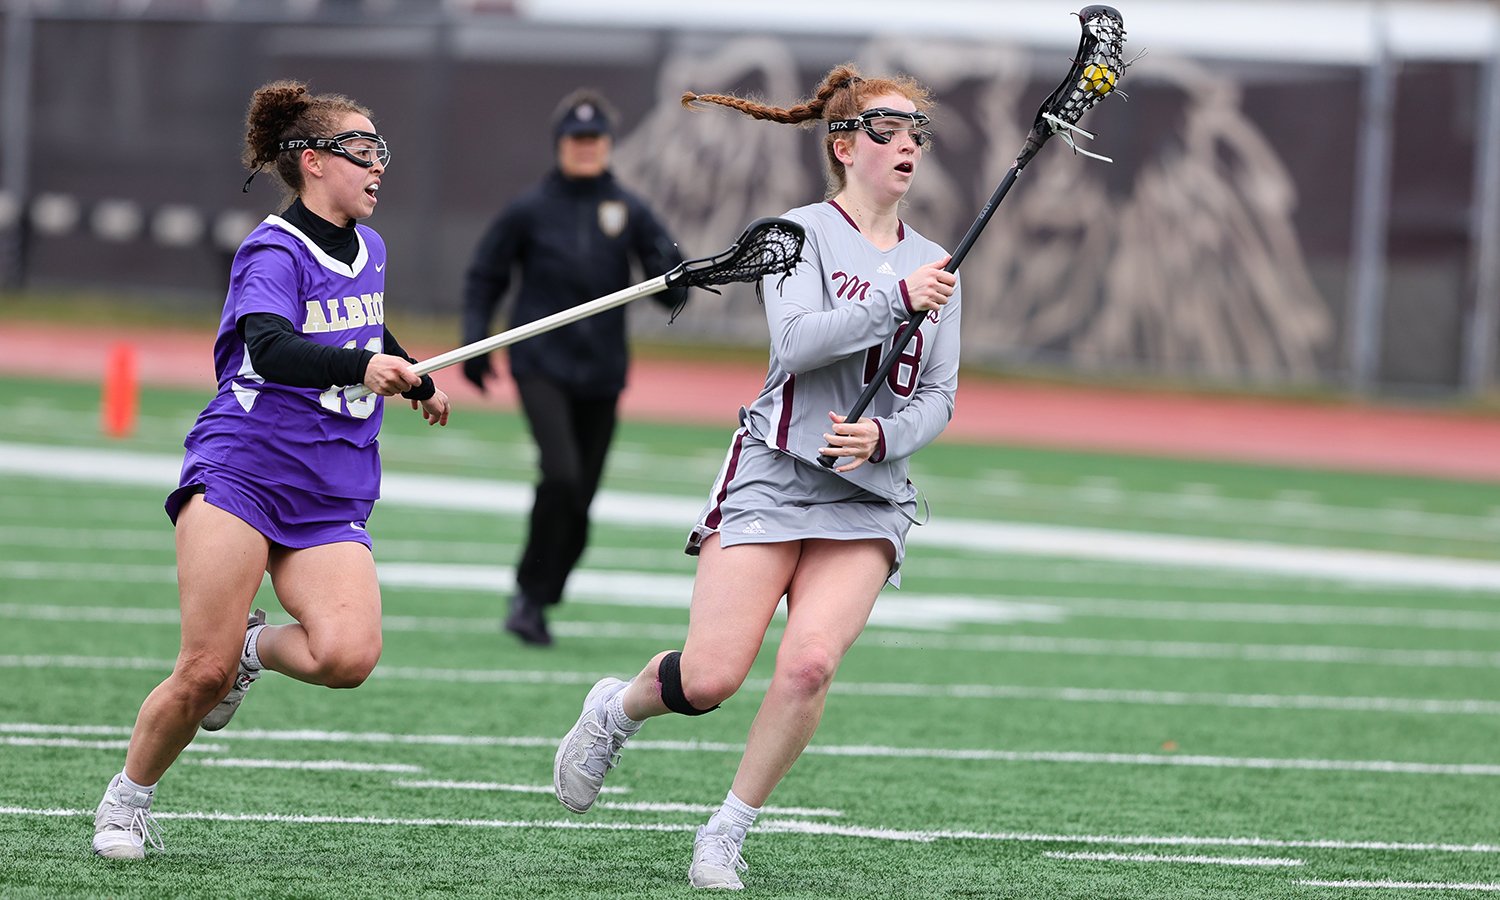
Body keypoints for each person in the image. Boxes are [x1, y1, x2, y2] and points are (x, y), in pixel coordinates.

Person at [551, 65, 960, 889]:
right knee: (708, 679)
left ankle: (726, 830)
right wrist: (894, 301)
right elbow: (798, 345)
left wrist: (883, 434)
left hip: (869, 498)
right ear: (844, 146)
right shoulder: (797, 236)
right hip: (774, 474)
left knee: (809, 663)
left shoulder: (940, 263)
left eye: (917, 129)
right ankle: (616, 709)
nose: (908, 141)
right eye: (888, 128)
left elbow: (942, 394)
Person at [90, 80, 451, 859]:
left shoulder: (372, 246)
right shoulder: (274, 248)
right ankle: (127, 799)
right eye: (363, 148)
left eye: (381, 149)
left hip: (332, 479)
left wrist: (410, 371)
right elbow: (272, 346)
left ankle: (257, 651)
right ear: (313, 161)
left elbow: (363, 321)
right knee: (201, 673)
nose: (378, 163)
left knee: (347, 656)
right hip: (245, 468)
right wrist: (366, 366)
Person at [461, 89, 686, 647]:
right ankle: (528, 593)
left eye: (595, 140)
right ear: (560, 144)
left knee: (581, 497)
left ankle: (543, 595)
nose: (586, 149)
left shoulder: (630, 209)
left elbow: (667, 290)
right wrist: (476, 341)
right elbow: (485, 276)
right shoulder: (529, 210)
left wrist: (672, 272)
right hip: (541, 364)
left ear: (608, 145)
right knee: (560, 475)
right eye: (576, 140)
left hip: (603, 371)